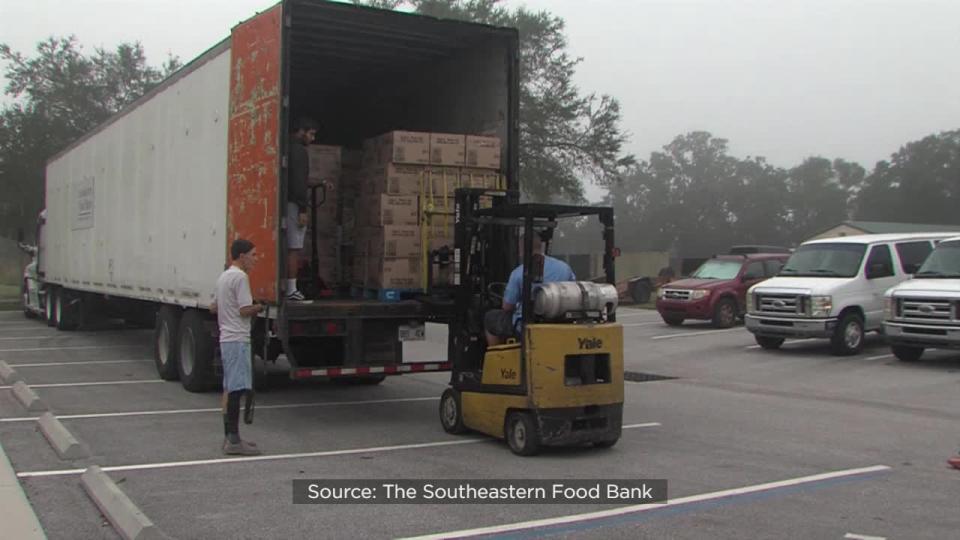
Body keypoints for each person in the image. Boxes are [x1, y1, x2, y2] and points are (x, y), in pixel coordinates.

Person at [210, 238, 264, 455]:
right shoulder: (240, 277)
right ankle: (233, 440)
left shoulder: (224, 276)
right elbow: (244, 310)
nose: (255, 259)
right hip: (237, 338)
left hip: (226, 338)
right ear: (242, 256)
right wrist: (258, 307)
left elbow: (213, 307)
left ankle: (231, 436)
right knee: (236, 389)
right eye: (253, 255)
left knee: (230, 386)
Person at [484, 233, 576, 346]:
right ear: (541, 246)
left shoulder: (519, 273)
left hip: (526, 323)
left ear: (522, 248)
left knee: (490, 318)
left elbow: (507, 307)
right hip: (559, 320)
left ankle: (497, 358)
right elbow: (573, 291)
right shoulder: (564, 267)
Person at [286, 117, 319, 301]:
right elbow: (298, 183)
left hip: (290, 203)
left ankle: (289, 287)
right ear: (301, 131)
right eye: (311, 134)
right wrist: (303, 209)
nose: (312, 139)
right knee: (294, 247)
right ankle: (291, 289)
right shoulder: (298, 151)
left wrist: (319, 183)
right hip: (294, 205)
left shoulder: (288, 148)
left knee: (291, 245)